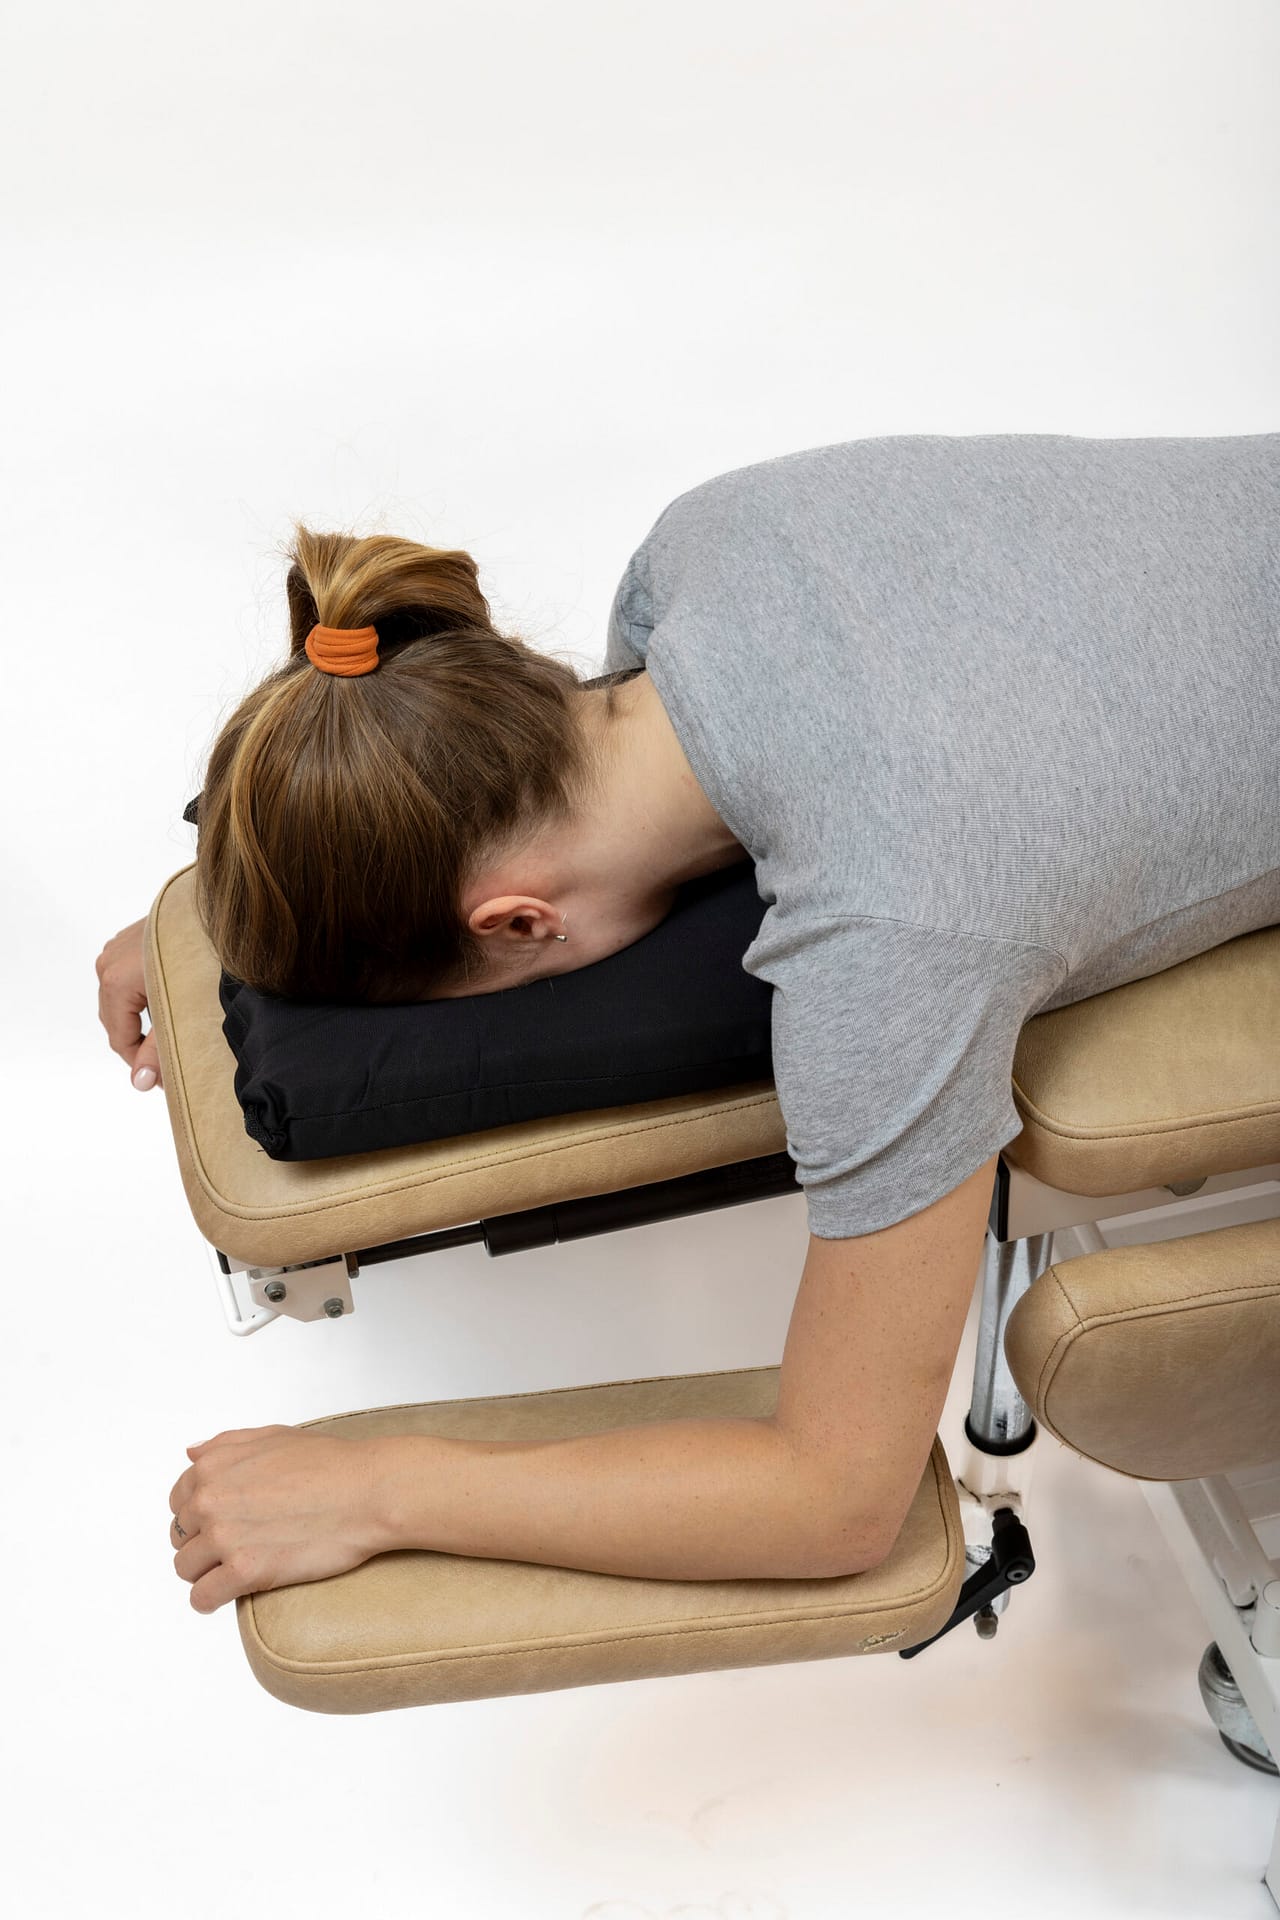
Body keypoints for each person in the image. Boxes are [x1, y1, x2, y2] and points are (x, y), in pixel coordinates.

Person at [96, 432, 1280, 1615]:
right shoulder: (712, 536)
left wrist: (377, 1491)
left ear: (517, 926)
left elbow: (831, 1499)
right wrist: (257, 882)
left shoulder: (893, 931)